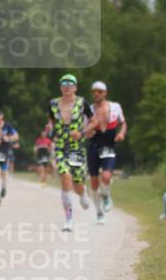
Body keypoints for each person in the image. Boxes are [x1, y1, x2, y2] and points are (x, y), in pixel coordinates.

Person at [48, 73, 93, 232]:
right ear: (60, 87)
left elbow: (93, 122)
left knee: (78, 184)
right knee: (65, 177)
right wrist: (49, 129)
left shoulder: (82, 103)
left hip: (77, 147)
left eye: (70, 84)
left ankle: (83, 194)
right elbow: (52, 121)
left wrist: (82, 132)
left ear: (75, 88)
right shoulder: (53, 103)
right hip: (60, 146)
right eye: (64, 84)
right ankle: (69, 219)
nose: (67, 87)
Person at [85, 81, 127, 224]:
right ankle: (99, 213)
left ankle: (107, 196)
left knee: (107, 176)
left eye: (99, 91)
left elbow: (123, 123)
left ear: (105, 93)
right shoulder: (88, 110)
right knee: (94, 183)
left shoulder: (115, 107)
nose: (96, 94)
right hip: (93, 147)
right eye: (94, 92)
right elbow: (85, 130)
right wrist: (87, 132)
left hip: (108, 146)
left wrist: (121, 133)